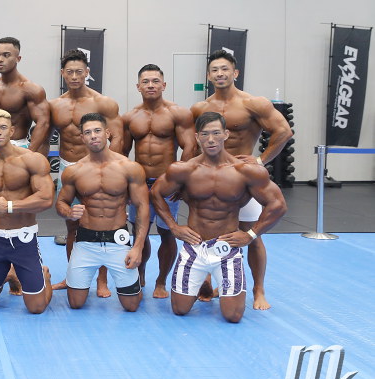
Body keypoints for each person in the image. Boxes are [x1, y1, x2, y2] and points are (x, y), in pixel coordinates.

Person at [150, 112, 287, 322]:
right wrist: (173, 227)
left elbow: (278, 205)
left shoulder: (245, 171)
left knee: (233, 316)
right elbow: (156, 193)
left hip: (227, 248)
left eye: (216, 133)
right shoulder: (184, 170)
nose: (211, 139)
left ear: (226, 134)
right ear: (197, 137)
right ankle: (204, 284)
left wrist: (250, 234)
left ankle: (244, 288)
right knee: (179, 309)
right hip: (194, 247)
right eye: (205, 134)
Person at [190, 50, 293, 310]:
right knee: (207, 232)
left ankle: (258, 290)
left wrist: (260, 160)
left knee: (252, 234)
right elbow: (192, 145)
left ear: (235, 73)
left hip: (243, 180)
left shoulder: (253, 103)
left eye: (225, 69)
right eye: (215, 70)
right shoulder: (200, 108)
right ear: (208, 76)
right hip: (210, 179)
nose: (220, 74)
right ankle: (210, 282)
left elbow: (283, 131)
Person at [56, 113, 149, 312]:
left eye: (97, 131)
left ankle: (130, 285)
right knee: (75, 303)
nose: (93, 136)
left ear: (107, 133)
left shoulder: (129, 168)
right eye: (88, 132)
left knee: (131, 306)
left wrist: (138, 247)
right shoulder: (74, 171)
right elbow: (61, 203)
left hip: (118, 239)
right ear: (82, 138)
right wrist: (69, 212)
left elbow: (142, 207)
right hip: (85, 240)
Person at [49, 49, 123, 296]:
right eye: (69, 72)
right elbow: (44, 137)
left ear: (87, 72)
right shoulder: (55, 105)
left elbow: (117, 137)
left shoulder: (103, 103)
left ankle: (101, 281)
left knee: (99, 226)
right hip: (67, 167)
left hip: (97, 168)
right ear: (62, 73)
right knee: (71, 226)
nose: (74, 76)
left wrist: (110, 169)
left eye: (79, 72)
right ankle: (73, 276)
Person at [0, 109, 54, 314]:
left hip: (24, 239)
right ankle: (9, 274)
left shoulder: (32, 160)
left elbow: (46, 198)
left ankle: (44, 276)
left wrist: (11, 206)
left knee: (36, 308)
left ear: (12, 131)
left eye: (3, 127)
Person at [120, 64, 195, 298]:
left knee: (167, 232)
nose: (150, 85)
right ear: (138, 86)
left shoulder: (178, 113)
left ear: (164, 85)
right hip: (139, 184)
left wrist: (179, 180)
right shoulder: (130, 117)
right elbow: (122, 153)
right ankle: (140, 274)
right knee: (139, 233)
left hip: (167, 184)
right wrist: (125, 185)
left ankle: (161, 281)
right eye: (146, 81)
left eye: (155, 81)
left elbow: (190, 147)